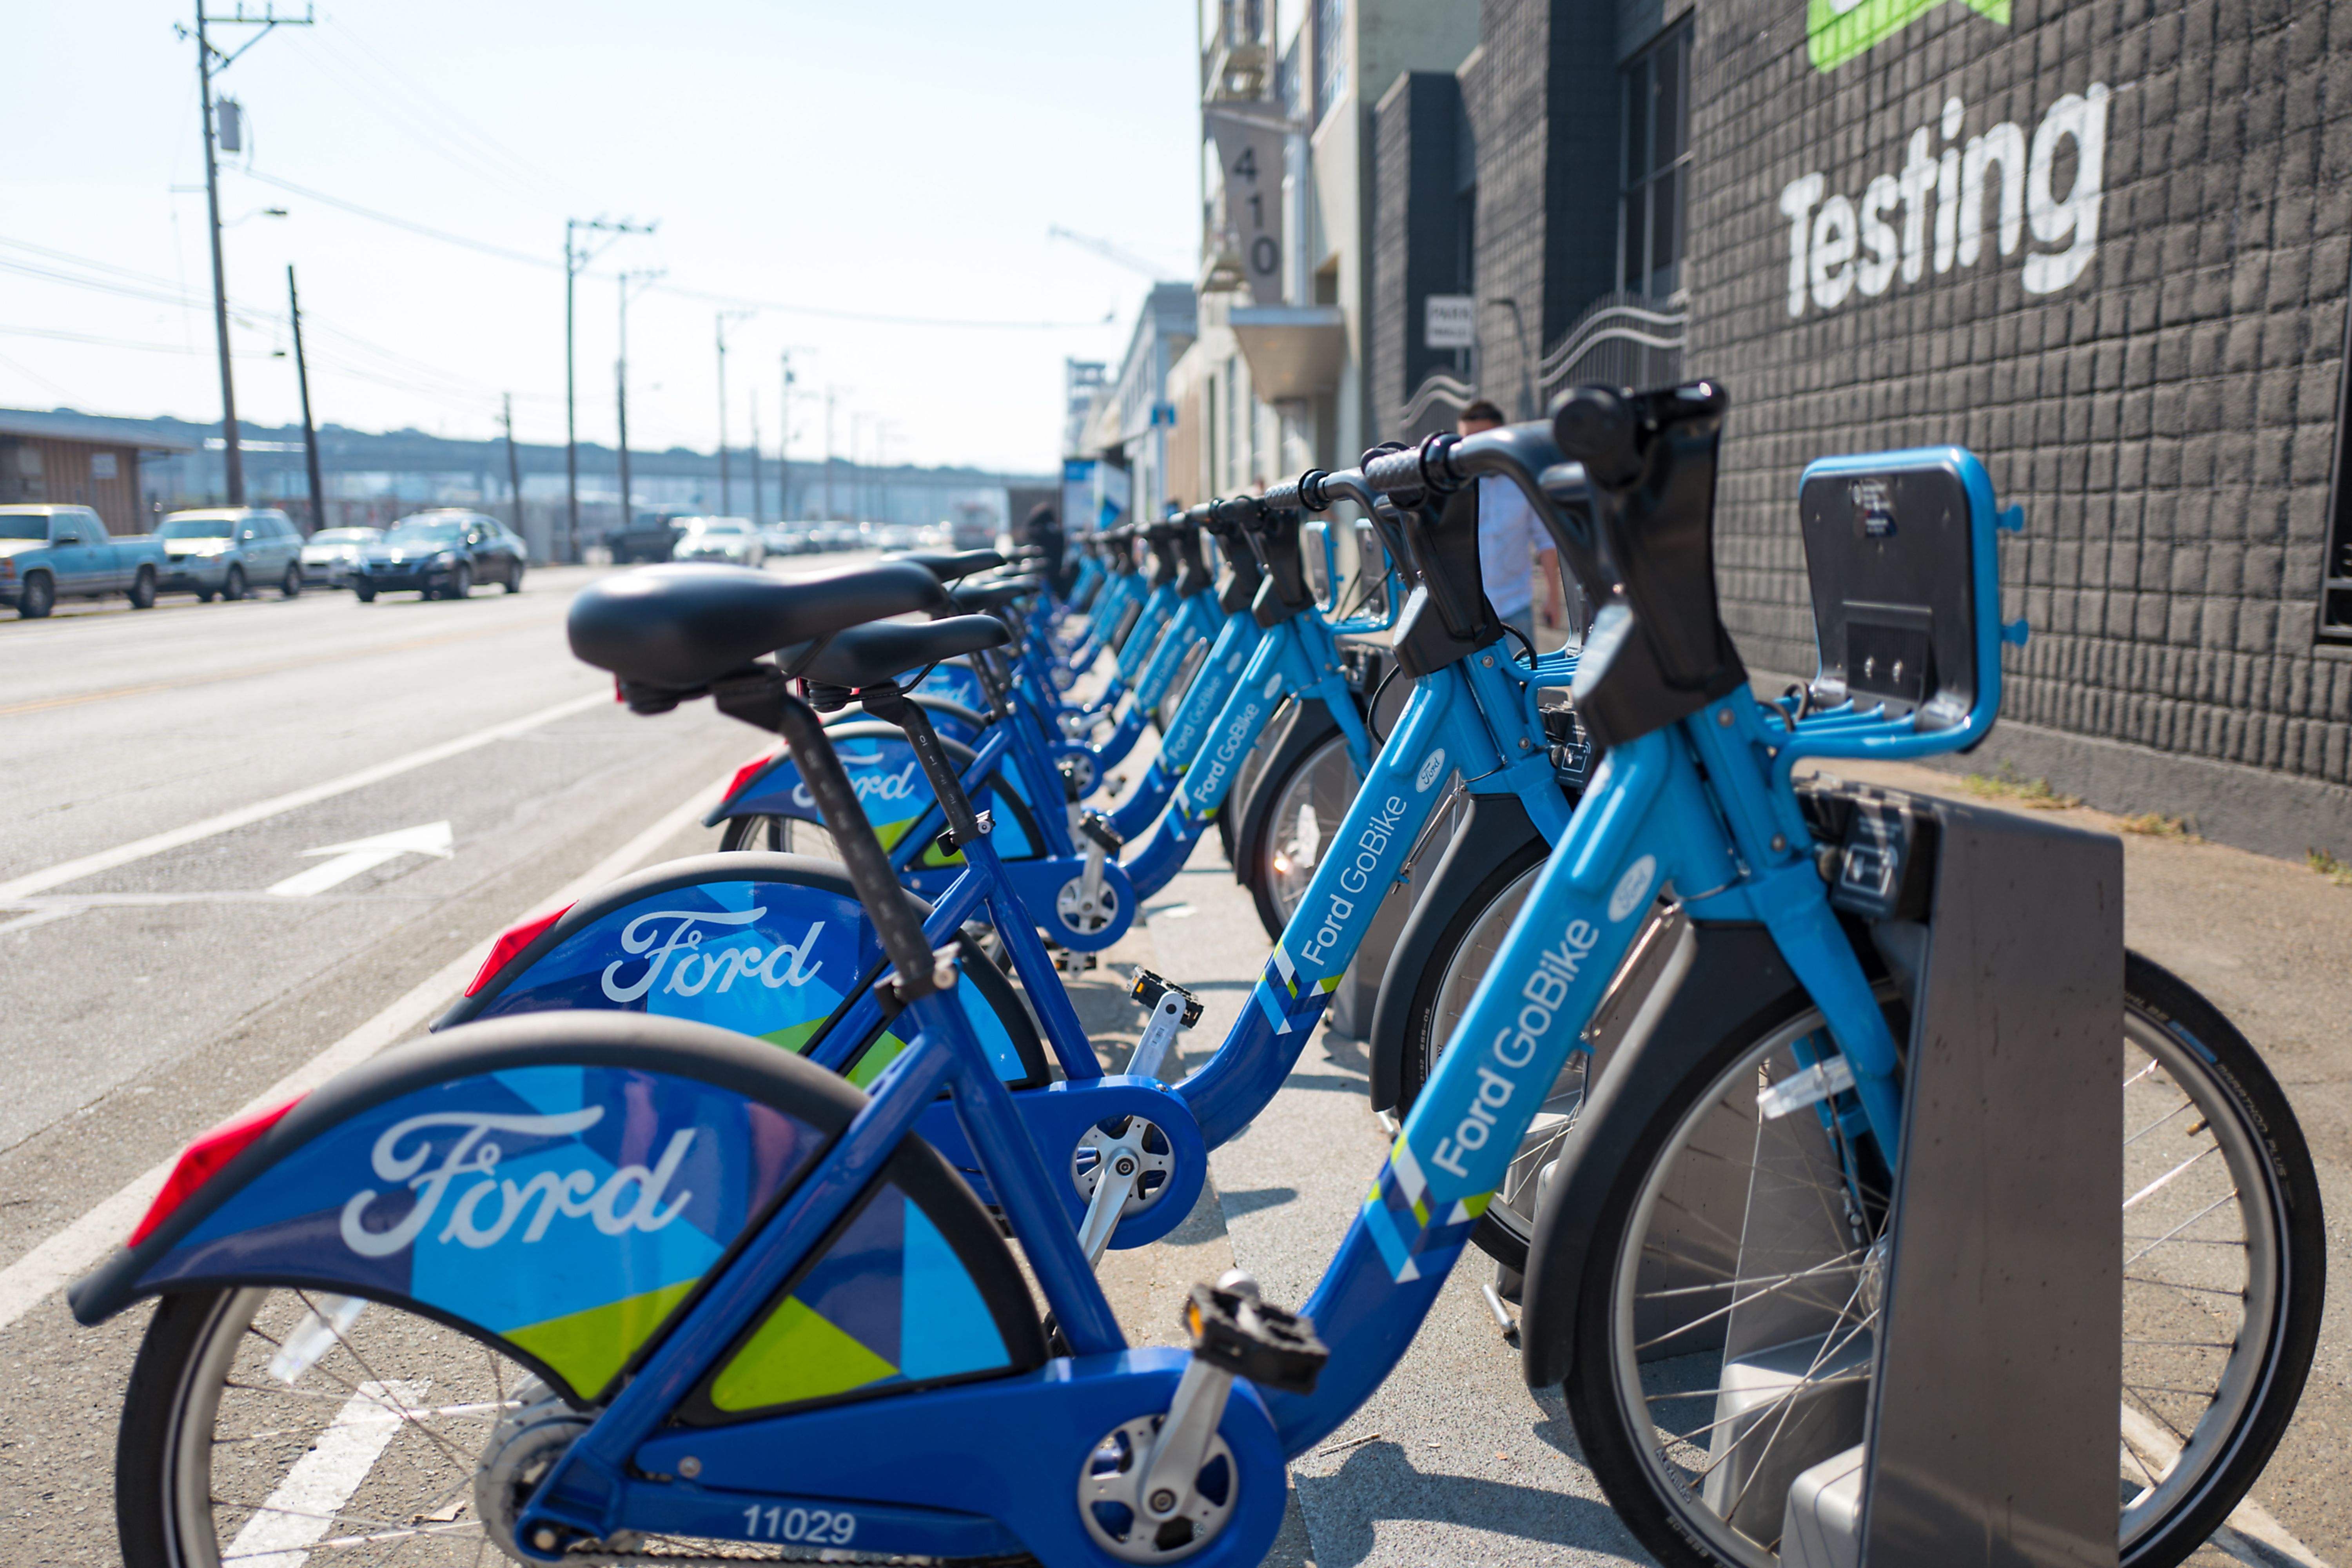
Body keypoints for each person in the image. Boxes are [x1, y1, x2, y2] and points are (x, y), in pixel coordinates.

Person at [1457, 399, 1565, 651]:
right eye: (1466, 440)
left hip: (1515, 607)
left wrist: (1553, 597)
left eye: (1481, 438)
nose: (1473, 448)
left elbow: (1546, 540)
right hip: (1467, 612)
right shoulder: (1453, 489)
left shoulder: (1523, 482)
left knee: (1521, 686)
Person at [1022, 501, 1073, 596]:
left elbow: (1028, 531)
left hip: (1043, 570)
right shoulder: (1057, 533)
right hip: (1055, 570)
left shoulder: (1038, 533)